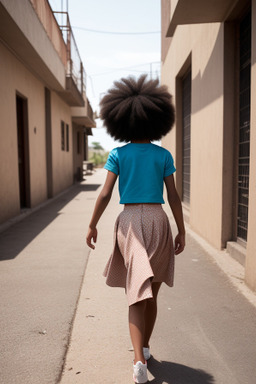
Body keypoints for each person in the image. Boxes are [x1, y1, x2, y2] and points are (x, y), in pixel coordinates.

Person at [86, 74, 185, 383]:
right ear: (158, 119)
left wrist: (92, 225)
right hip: (158, 219)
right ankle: (145, 347)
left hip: (129, 222)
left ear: (122, 120)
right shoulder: (163, 155)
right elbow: (174, 196)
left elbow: (104, 194)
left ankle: (139, 361)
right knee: (151, 293)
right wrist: (181, 229)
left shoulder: (118, 155)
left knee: (135, 294)